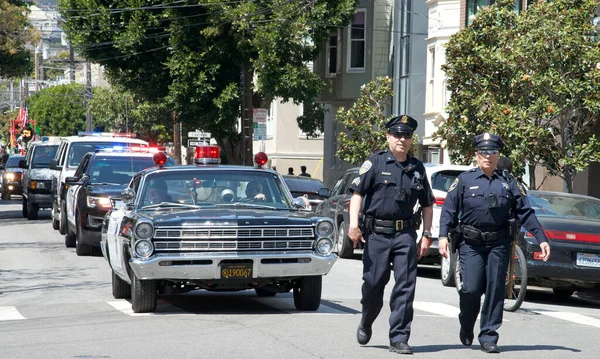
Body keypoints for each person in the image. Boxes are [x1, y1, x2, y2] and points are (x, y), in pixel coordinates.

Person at [438, 133, 551, 354]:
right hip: (471, 244)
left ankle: (489, 335)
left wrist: (541, 238)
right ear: (476, 155)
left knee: (495, 289)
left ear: (498, 155)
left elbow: (525, 212)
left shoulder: (509, 182)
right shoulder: (464, 180)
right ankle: (466, 321)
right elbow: (449, 211)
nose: (487, 156)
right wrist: (442, 236)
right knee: (470, 289)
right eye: (483, 152)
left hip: (498, 243)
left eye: (492, 152)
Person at [348, 115, 435, 355]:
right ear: (388, 136)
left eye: (407, 136)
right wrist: (353, 225)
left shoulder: (417, 168)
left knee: (406, 287)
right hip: (376, 235)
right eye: (397, 135)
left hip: (405, 235)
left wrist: (427, 234)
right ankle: (367, 319)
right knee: (374, 284)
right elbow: (357, 195)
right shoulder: (374, 163)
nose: (402, 139)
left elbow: (427, 204)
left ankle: (399, 338)